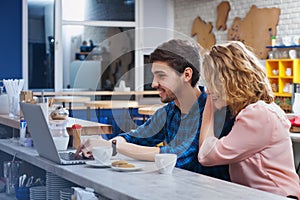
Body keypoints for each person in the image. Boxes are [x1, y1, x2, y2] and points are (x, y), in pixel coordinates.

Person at [76, 39, 235, 180]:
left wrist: (113, 146)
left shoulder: (211, 110)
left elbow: (176, 155)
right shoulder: (169, 111)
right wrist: (106, 144)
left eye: (161, 76)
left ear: (186, 75)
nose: (153, 83)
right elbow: (135, 137)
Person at [198, 41, 300, 198]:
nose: (209, 90)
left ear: (232, 79)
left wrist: (208, 106)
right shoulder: (259, 110)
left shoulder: (257, 114)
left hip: (277, 196)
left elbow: (206, 156)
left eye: (213, 82)